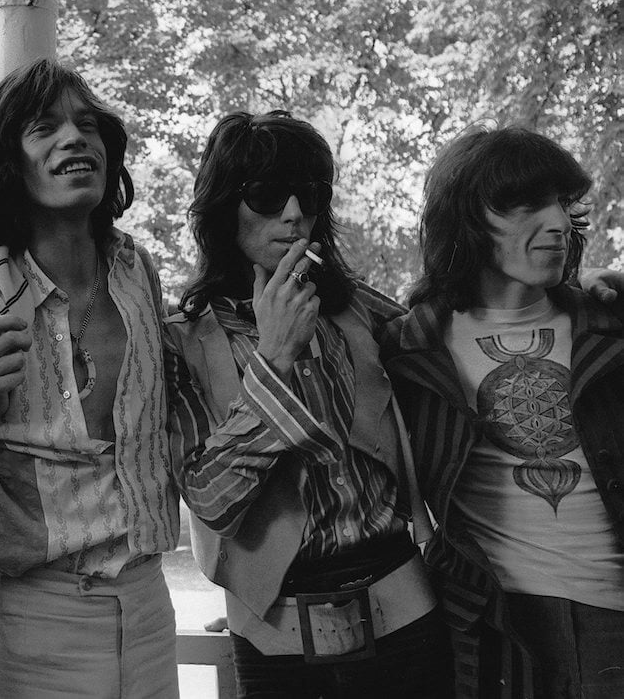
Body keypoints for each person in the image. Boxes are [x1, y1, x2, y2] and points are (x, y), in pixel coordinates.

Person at [165, 110, 452, 697]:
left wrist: (583, 296)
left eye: (311, 196)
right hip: (274, 633)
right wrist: (272, 363)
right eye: (267, 195)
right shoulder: (184, 340)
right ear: (223, 208)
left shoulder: (358, 310)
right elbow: (209, 500)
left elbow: (467, 341)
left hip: (405, 606)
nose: (293, 213)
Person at [0, 59, 180, 698]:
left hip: (149, 599)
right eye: (45, 128)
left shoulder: (136, 271)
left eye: (87, 125)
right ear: (7, 162)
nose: (75, 139)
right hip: (41, 613)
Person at [382, 126, 624, 698]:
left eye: (563, 203)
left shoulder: (609, 326)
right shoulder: (409, 349)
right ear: (466, 219)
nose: (559, 223)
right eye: (525, 205)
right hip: (491, 626)